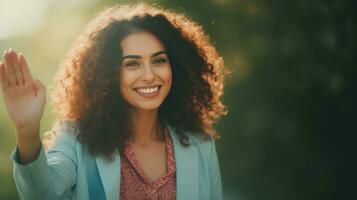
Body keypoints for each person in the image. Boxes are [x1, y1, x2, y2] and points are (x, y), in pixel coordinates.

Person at [0, 3, 228, 200]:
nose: (149, 75)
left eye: (158, 61)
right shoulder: (75, 138)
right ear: (107, 74)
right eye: (132, 64)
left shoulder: (200, 142)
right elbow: (43, 195)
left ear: (174, 66)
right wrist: (27, 130)